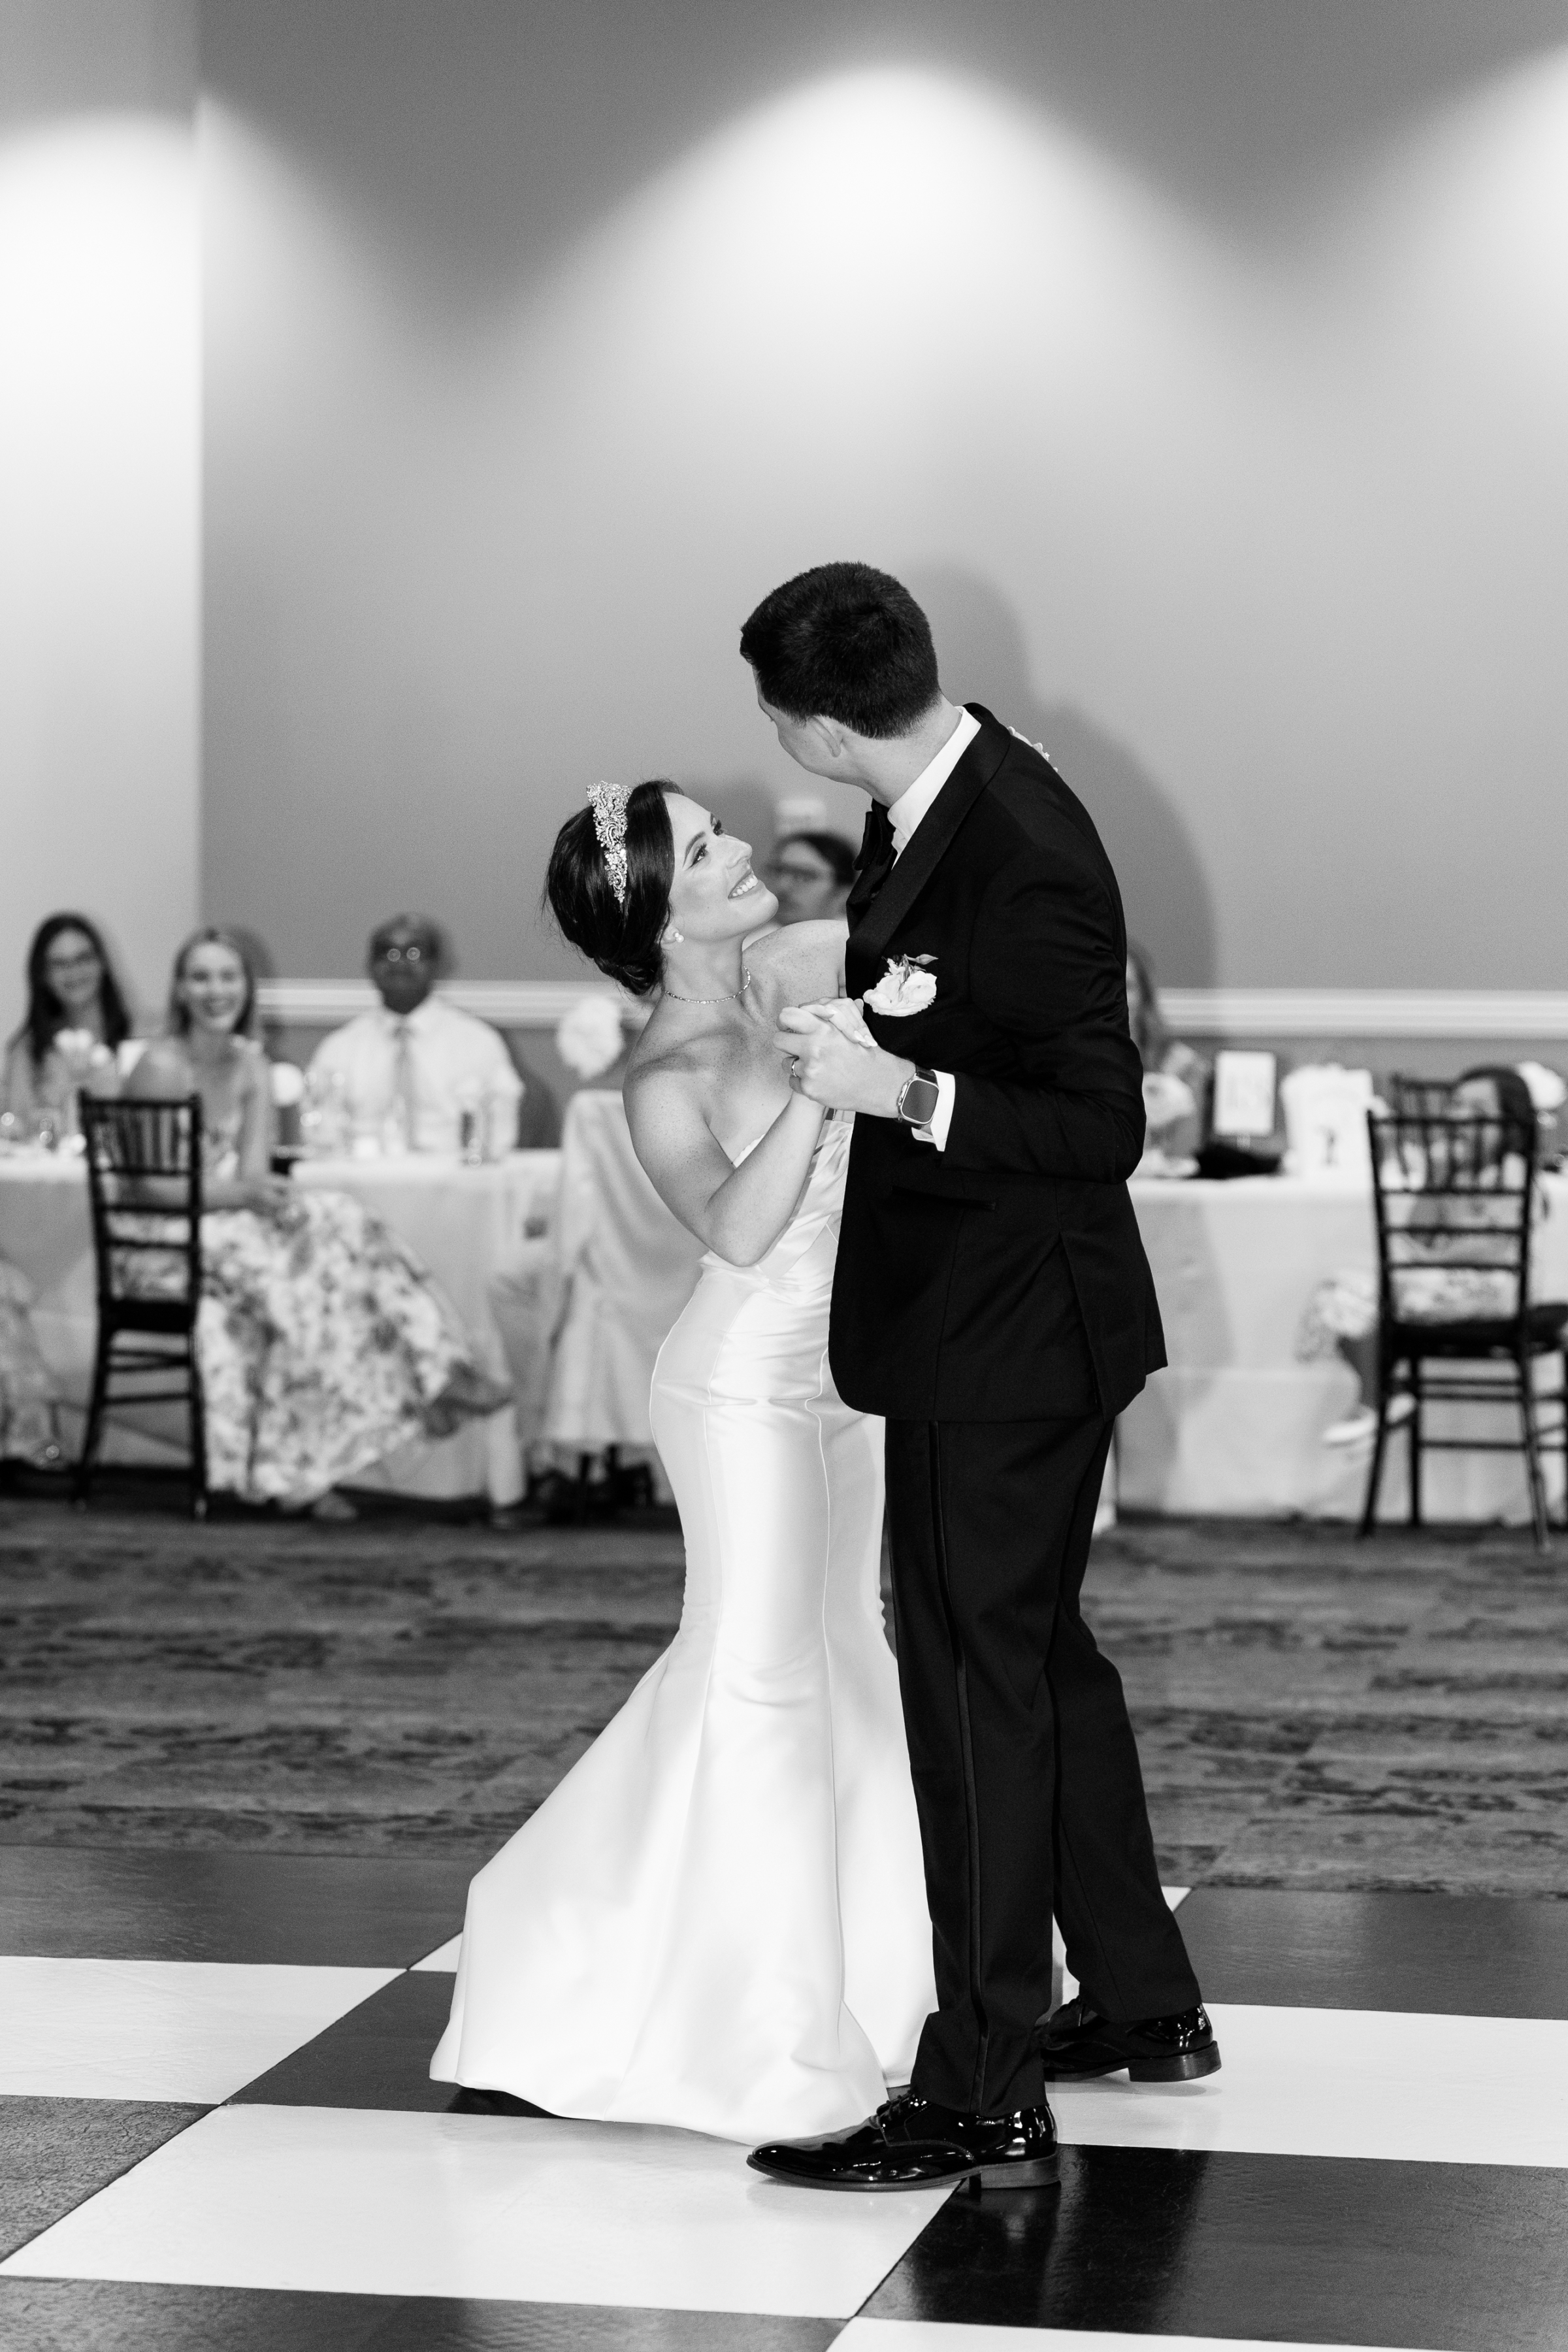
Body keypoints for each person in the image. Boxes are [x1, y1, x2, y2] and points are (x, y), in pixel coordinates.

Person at [735, 561, 1216, 2197]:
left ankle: (981, 2081)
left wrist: (898, 1085)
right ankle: (1141, 2004)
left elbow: (1095, 1127)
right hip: (989, 1322)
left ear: (804, 724)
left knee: (967, 1681)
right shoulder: (936, 797)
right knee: (1032, 1661)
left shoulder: (1018, 837)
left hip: (1002, 1336)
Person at [431, 780, 934, 2142]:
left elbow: (914, 937)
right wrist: (829, 1093)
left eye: (719, 831)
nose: (738, 853)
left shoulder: (791, 969)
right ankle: (701, 2011)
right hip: (737, 1397)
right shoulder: (661, 1072)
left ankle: (892, 1983)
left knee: (846, 1652)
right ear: (657, 912)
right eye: (705, 849)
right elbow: (737, 1231)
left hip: (851, 1383)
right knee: (759, 1679)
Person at [124, 929, 510, 1516]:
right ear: (180, 988)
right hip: (158, 1239)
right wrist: (242, 1193)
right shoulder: (159, 1065)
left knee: (339, 1216)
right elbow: (146, 1186)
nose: (215, 990)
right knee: (298, 1280)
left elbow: (255, 1175)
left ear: (245, 988)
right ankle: (308, 1474)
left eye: (228, 977)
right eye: (200, 977)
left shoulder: (252, 1065)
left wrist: (263, 1197)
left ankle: (440, 1368)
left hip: (223, 1224)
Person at [1303, 1066, 1544, 1448]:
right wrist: (1436, 1178)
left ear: (1512, 1126)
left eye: (1479, 1113)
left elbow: (1491, 1243)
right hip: (1439, 1281)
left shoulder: (1511, 1172)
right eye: (1456, 1107)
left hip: (1490, 1289)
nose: (1461, 1119)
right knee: (1341, 1291)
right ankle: (1382, 1395)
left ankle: (1378, 1401)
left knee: (1364, 1296)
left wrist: (1432, 1257)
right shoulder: (1451, 1169)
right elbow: (1417, 1231)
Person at [306, 915, 522, 1156]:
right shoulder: (338, 1049)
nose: (399, 963)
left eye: (414, 954)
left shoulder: (479, 1042)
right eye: (389, 953)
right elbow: (321, 1138)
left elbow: (501, 1134)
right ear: (370, 967)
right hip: (362, 1182)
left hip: (453, 1183)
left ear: (437, 965)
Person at [3, 914, 133, 1128]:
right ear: (43, 975)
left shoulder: (138, 1036)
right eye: (60, 964)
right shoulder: (27, 1050)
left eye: (83, 958)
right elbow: (16, 1128)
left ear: (102, 963)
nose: (74, 972)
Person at [1126, 941, 1209, 1162]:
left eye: (1127, 987)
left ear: (1145, 996)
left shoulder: (1183, 1066)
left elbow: (1187, 1152)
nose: (1117, 998)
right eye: (1108, 987)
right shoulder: (1079, 1065)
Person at [0, 1258, 62, 1470]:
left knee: (26, 1398)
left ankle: (32, 1448)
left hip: (15, 1356)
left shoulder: (6, 1271)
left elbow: (26, 1296)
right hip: (16, 1357)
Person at [764, 829, 856, 926]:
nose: (782, 886)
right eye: (777, 872)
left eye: (803, 877)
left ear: (843, 891)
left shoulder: (859, 939)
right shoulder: (754, 939)